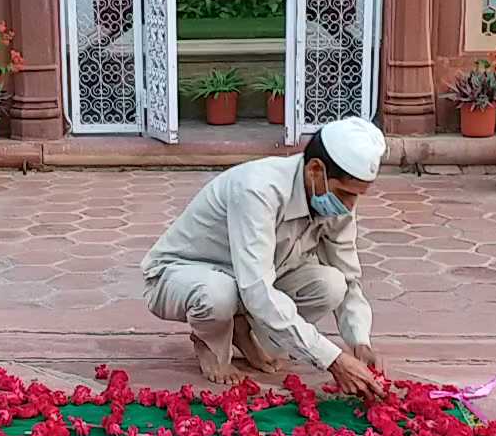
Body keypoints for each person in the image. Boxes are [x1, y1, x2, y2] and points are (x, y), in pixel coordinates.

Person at [141, 116, 386, 397]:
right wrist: (333, 359)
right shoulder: (258, 190)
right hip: (180, 275)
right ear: (315, 170)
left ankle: (245, 333)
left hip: (252, 279)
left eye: (357, 196)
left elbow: (349, 275)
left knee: (333, 284)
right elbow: (257, 289)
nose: (349, 206)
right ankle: (209, 342)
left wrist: (359, 341)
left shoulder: (335, 202)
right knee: (218, 293)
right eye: (345, 193)